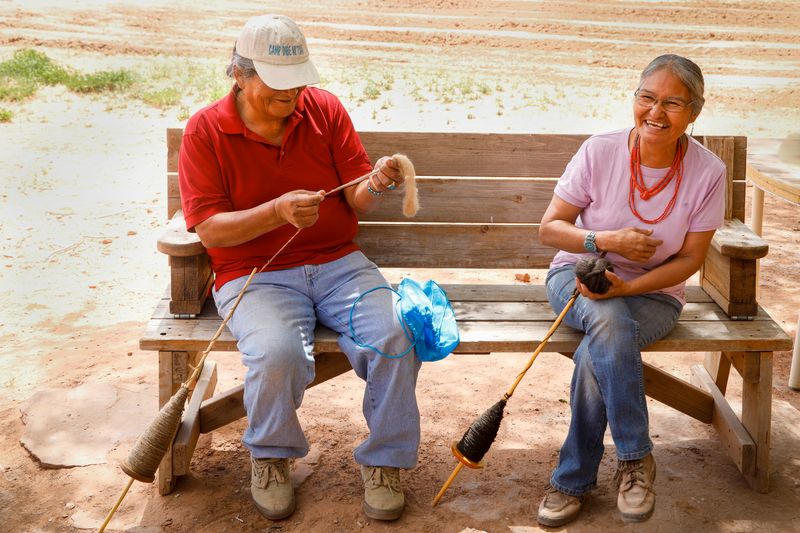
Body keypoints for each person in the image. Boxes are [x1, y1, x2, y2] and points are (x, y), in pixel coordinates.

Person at [178, 14, 420, 522]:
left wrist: (375, 183)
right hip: (254, 275)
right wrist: (276, 211)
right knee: (277, 352)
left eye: (296, 80)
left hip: (339, 264)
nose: (291, 93)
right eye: (277, 82)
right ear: (239, 74)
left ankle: (385, 462)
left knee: (396, 335)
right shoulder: (205, 130)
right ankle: (271, 456)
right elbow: (211, 232)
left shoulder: (324, 109)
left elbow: (357, 198)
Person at [536, 54, 726, 526]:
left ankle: (572, 479)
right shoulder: (599, 151)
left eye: (673, 103)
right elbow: (550, 228)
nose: (656, 112)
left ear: (694, 112)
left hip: (654, 294)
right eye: (647, 98)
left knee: (598, 347)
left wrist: (631, 286)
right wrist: (606, 240)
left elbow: (690, 260)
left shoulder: (708, 171)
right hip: (578, 276)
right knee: (607, 320)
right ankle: (636, 459)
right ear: (635, 99)